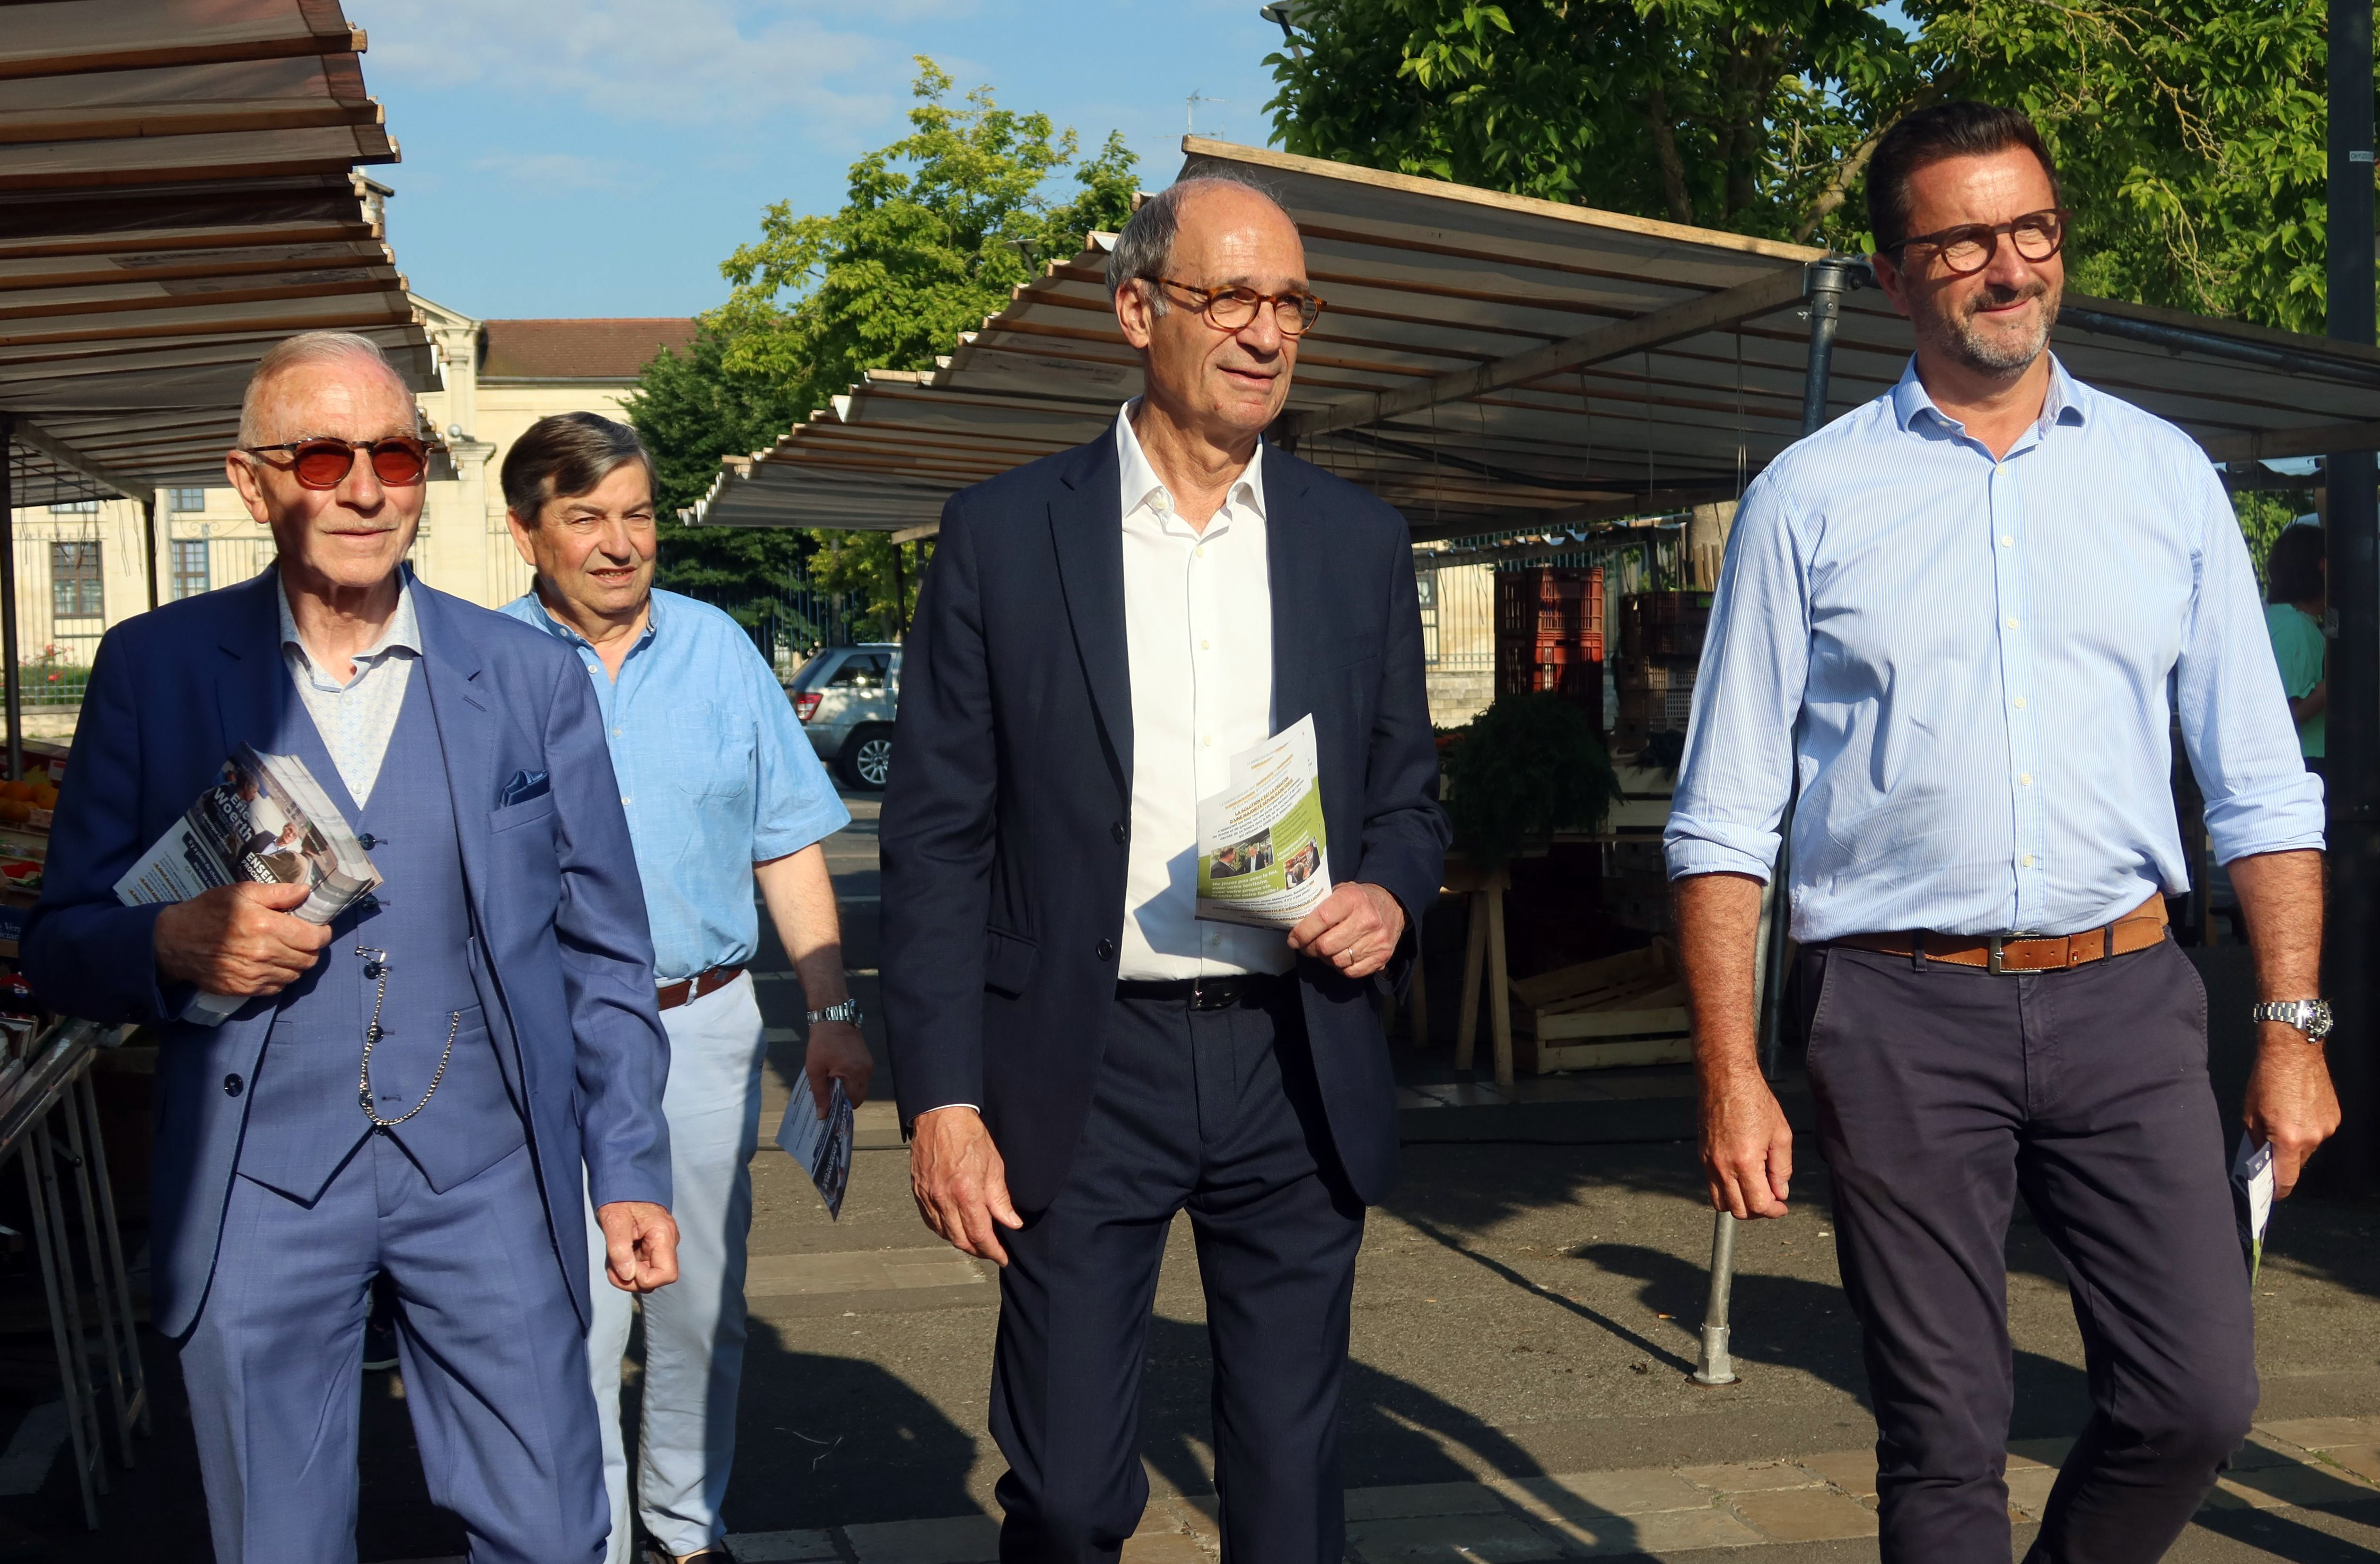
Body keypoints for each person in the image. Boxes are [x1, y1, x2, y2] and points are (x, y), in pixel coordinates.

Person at [1666, 102, 2334, 1564]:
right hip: (1901, 1015)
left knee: (2197, 1396)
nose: (2009, 265)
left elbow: (2263, 784)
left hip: (2129, 996)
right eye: (1963, 240)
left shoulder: (2164, 478)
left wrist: (2292, 1023)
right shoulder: (1811, 499)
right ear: (1897, 274)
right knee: (1946, 1433)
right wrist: (1733, 1071)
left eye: (2031, 229)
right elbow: (1724, 820)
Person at [22, 331, 678, 1563]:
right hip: (261, 1184)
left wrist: (629, 1163)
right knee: (279, 1541)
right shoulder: (155, 670)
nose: (367, 486)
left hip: (486, 1173)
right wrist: (167, 939)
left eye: (398, 453)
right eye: (323, 457)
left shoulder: (529, 677)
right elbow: (60, 944)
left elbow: (602, 947)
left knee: (553, 1529)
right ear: (253, 481)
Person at [881, 171, 1447, 1561]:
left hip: (1292, 1054)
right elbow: (938, 836)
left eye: (1291, 302)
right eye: (1230, 297)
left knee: (1290, 1490)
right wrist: (941, 1098)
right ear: (1139, 309)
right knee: (1070, 1494)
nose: (1267, 331)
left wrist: (1386, 892)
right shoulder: (1006, 537)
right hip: (1087, 1060)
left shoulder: (1356, 543)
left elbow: (1412, 801)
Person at [498, 412, 867, 1564]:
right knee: (578, 1307)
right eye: (588, 518)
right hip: (548, 1035)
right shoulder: (480, 665)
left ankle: (685, 1526)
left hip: (703, 1021)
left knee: (700, 1297)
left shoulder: (719, 649)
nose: (622, 543)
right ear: (527, 535)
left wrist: (832, 1006)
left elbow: (788, 839)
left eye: (640, 514)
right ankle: (593, 1537)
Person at [2263, 521, 2327, 775]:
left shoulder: (2279, 618)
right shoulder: (2294, 626)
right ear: (2322, 568)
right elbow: (2292, 712)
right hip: (2306, 761)